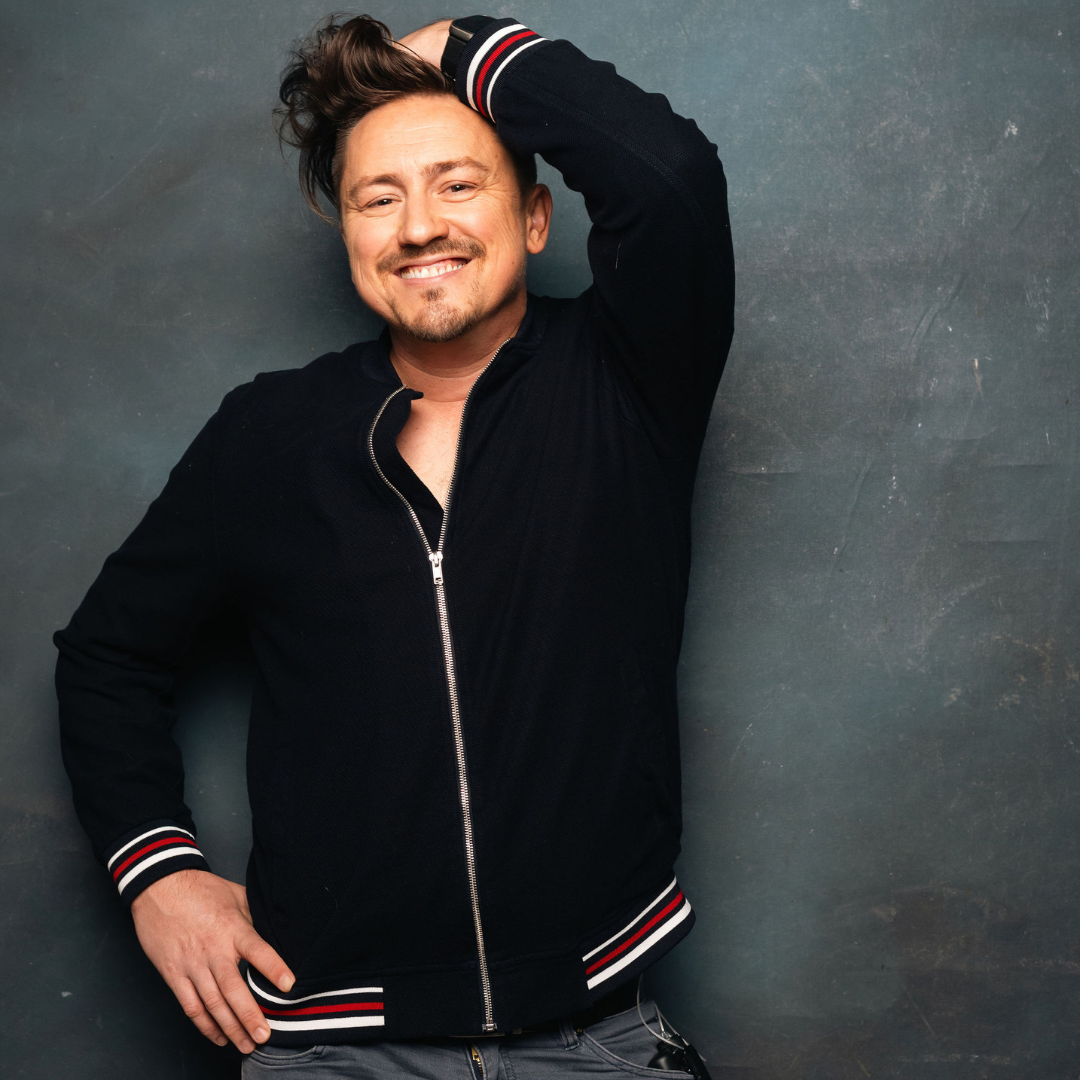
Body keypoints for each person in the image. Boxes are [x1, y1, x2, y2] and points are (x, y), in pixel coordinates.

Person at [54, 12, 734, 1078]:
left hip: (596, 1038)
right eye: (379, 198)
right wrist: (158, 873)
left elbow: (670, 177)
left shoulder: (628, 378)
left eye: (458, 184)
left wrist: (458, 46)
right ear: (349, 235)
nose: (419, 227)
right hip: (334, 1048)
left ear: (537, 218)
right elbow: (108, 659)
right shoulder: (268, 437)